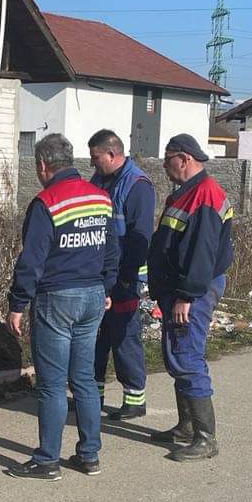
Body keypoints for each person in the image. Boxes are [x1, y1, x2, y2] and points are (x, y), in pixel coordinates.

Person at [5, 133, 119, 480]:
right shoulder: (100, 197)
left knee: (52, 384)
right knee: (84, 378)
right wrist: (107, 286)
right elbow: (112, 249)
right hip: (93, 295)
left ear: (42, 165)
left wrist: (17, 303)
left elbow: (32, 260)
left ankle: (47, 460)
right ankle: (89, 455)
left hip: (57, 298)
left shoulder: (47, 202)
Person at [146, 132, 234, 461]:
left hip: (192, 291)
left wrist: (186, 296)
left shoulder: (204, 196)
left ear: (183, 159)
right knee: (176, 356)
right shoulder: (185, 193)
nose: (164, 166)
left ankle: (205, 438)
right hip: (179, 289)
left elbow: (201, 253)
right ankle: (186, 427)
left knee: (187, 356)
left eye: (167, 159)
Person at [87, 129, 155, 421]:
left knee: (124, 337)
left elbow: (141, 236)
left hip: (125, 277)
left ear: (112, 154)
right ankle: (93, 395)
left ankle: (134, 399)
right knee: (96, 337)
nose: (93, 163)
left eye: (96, 158)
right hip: (99, 274)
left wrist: (126, 276)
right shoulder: (99, 179)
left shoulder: (137, 184)